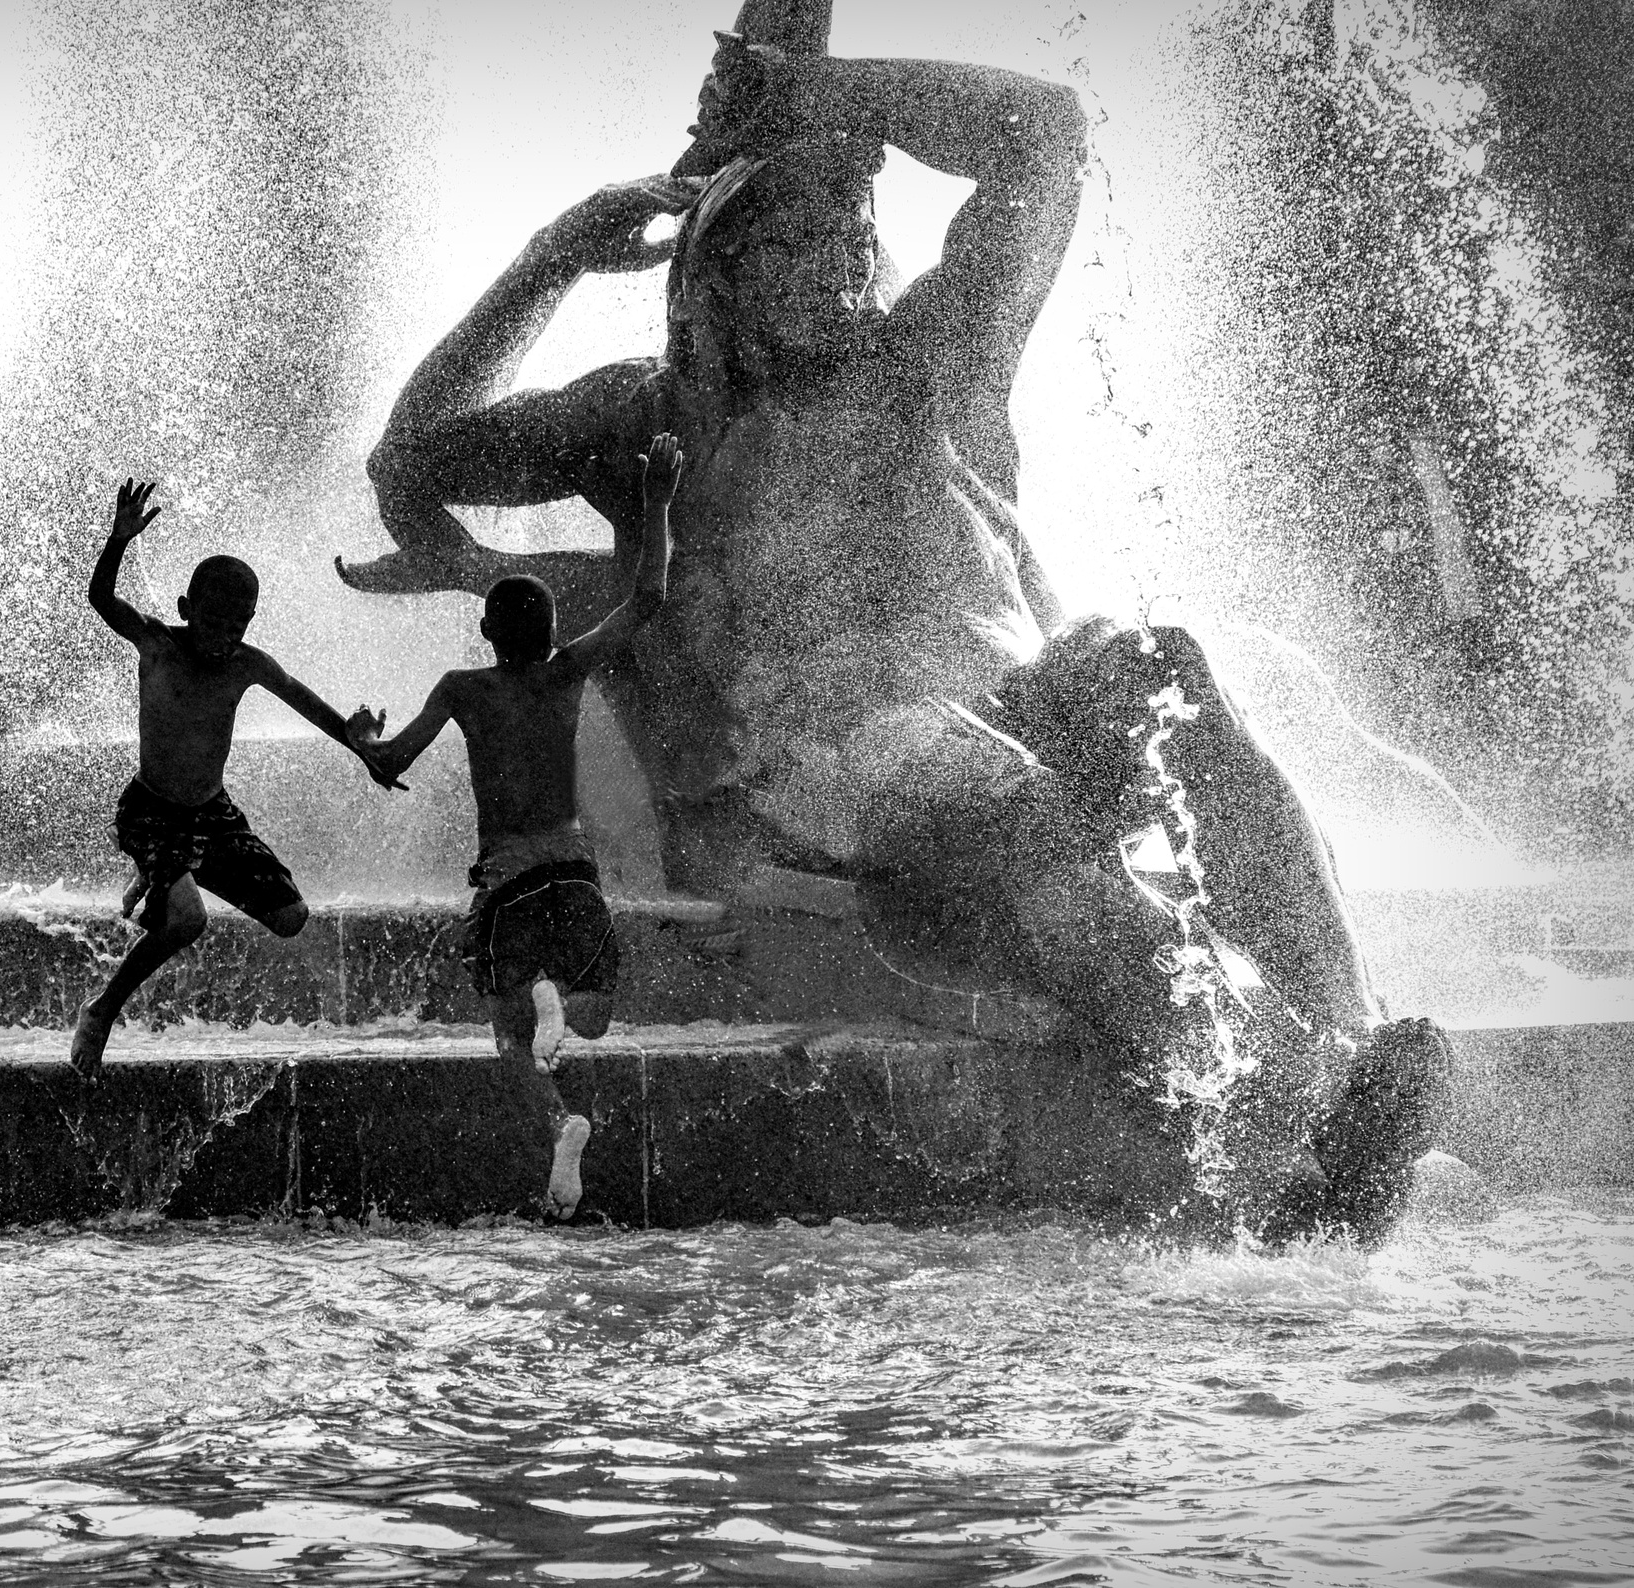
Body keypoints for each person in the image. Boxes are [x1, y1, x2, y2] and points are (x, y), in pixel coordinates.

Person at [334, 36, 1446, 1239]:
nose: (843, 263)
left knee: (1159, 668)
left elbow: (1044, 136)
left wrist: (812, 89)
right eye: (799, 241)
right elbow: (409, 463)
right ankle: (1281, 1112)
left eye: (855, 231)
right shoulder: (646, 418)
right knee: (1002, 800)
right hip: (827, 760)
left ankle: (1354, 1049)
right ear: (720, 273)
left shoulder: (937, 356)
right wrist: (552, 258)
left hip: (1008, 705)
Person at [351, 434, 680, 1219]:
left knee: (508, 1035)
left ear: (486, 633)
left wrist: (363, 738)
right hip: (574, 868)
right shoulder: (569, 671)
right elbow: (647, 599)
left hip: (509, 876)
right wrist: (657, 501)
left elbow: (391, 763)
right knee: (593, 1019)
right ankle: (556, 999)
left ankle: (558, 1117)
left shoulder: (461, 687)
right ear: (553, 630)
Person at [71, 478, 395, 1079]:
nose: (223, 639)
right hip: (151, 812)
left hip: (212, 814)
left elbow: (307, 703)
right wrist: (118, 541)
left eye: (237, 626)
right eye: (213, 623)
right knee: (188, 921)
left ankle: (169, 879)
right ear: (186, 609)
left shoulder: (247, 664)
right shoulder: (157, 644)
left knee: (291, 918)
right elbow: (100, 598)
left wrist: (361, 746)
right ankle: (104, 1007)